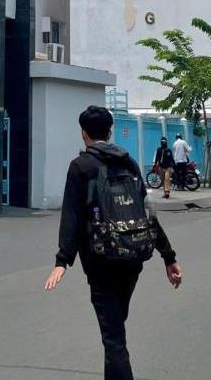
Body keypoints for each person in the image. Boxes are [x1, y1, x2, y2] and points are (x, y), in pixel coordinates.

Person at [44, 105, 181, 380]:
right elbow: (147, 212)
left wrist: (62, 260)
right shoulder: (128, 162)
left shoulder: (81, 166)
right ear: (109, 132)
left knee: (113, 336)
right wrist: (169, 256)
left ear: (83, 133)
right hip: (133, 255)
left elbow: (71, 215)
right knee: (115, 325)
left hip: (101, 260)